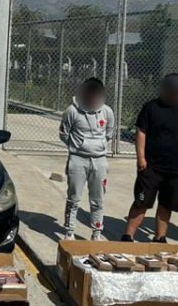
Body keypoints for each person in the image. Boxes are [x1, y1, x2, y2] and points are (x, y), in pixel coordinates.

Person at [120, 73, 178, 243]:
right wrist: (141, 157)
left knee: (167, 204)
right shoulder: (151, 107)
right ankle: (128, 235)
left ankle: (160, 237)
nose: (175, 93)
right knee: (142, 202)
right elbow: (141, 132)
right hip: (152, 166)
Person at [58, 77, 115, 240]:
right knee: (74, 198)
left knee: (98, 200)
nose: (93, 98)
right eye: (90, 95)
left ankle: (96, 232)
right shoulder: (72, 111)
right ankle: (69, 232)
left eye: (96, 95)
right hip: (77, 160)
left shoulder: (107, 112)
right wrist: (78, 146)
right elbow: (63, 134)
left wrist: (99, 146)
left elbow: (109, 133)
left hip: (99, 161)